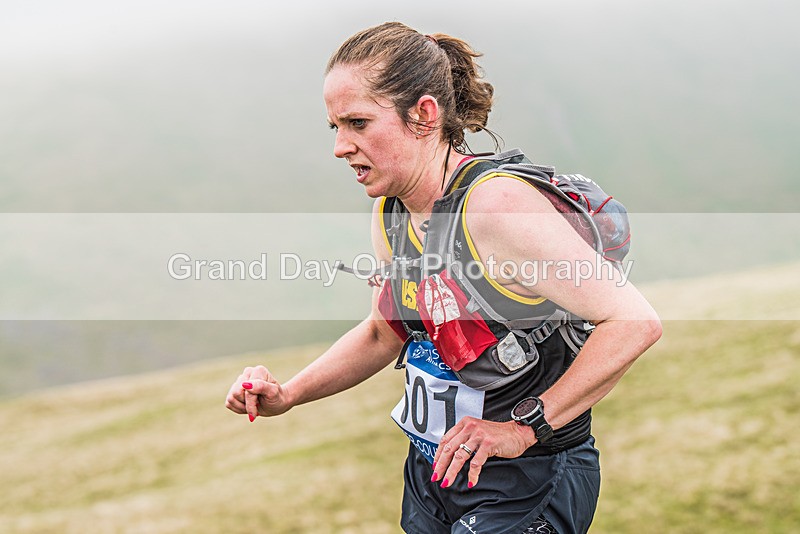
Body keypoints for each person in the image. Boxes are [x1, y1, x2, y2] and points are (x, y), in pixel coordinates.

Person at [225, 22, 661, 533]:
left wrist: (523, 429)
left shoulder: (496, 208)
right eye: (334, 127)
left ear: (424, 115)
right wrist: (289, 394)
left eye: (358, 123)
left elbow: (634, 320)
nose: (341, 147)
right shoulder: (391, 212)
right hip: (435, 476)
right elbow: (382, 331)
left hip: (528, 481)